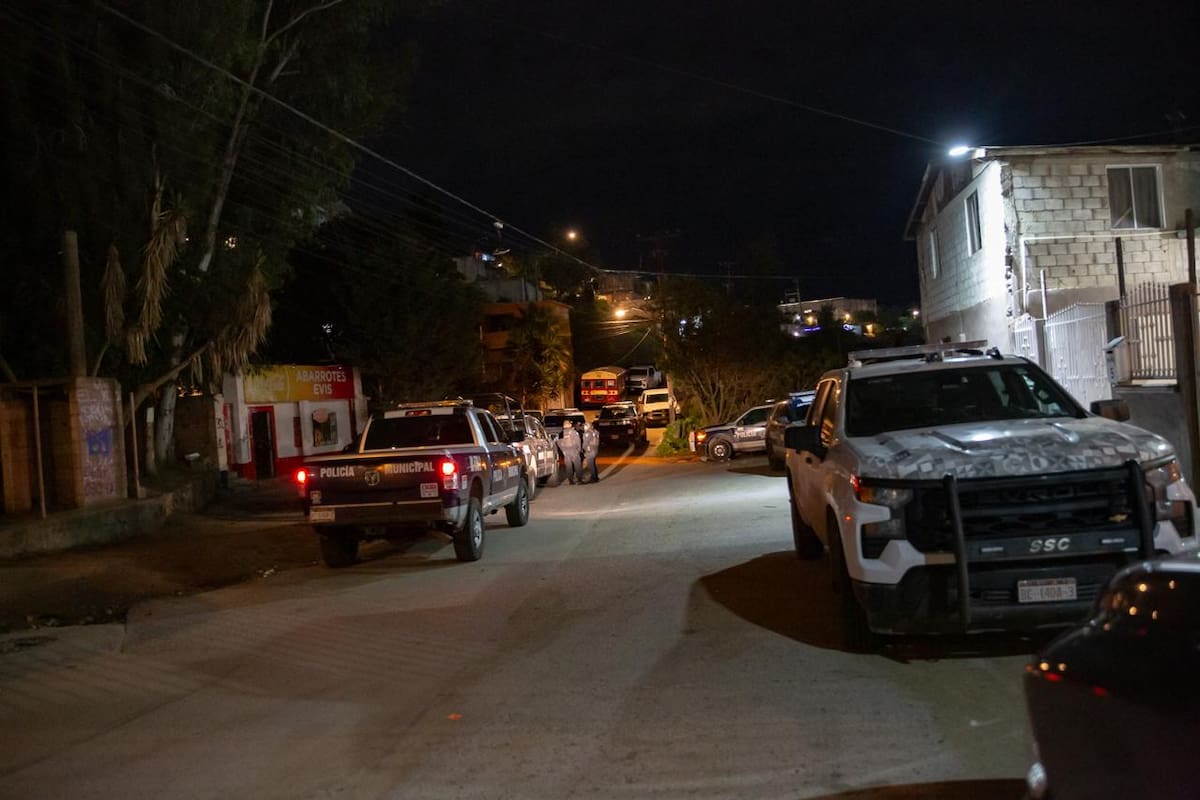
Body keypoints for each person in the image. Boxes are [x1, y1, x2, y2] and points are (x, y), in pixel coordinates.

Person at [557, 419, 583, 485]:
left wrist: (563, 451)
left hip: (566, 451)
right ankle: (579, 479)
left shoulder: (561, 433)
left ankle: (570, 480)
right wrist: (579, 450)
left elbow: (558, 442)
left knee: (568, 466)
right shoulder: (574, 432)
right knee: (577, 465)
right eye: (570, 423)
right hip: (574, 450)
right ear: (569, 425)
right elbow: (578, 441)